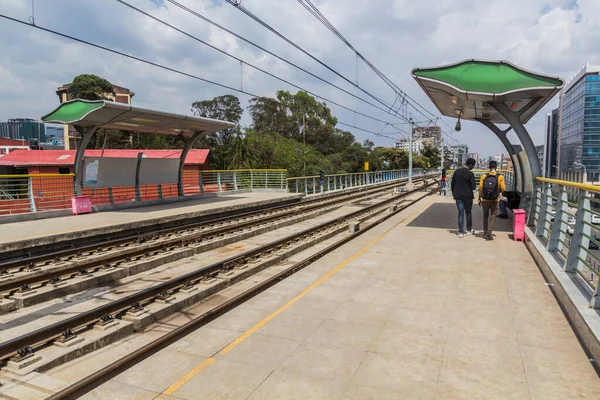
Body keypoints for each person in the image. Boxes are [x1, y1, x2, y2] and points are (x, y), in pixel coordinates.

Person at [478, 160, 506, 240]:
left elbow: (480, 188)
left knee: (485, 215)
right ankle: (489, 233)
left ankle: (485, 231)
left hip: (485, 199)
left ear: (489, 167)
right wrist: (499, 190)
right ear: (496, 167)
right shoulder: (500, 176)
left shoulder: (484, 176)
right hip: (495, 199)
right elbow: (503, 188)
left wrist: (479, 198)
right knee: (493, 216)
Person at [451, 158, 477, 238]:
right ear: (470, 165)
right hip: (468, 196)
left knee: (460, 213)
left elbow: (452, 185)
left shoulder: (456, 172)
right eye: (473, 166)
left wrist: (454, 194)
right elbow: (473, 187)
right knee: (468, 212)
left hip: (458, 196)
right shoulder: (470, 174)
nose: (473, 167)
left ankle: (461, 232)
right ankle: (469, 230)